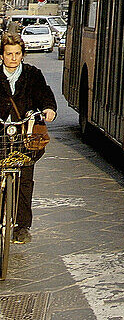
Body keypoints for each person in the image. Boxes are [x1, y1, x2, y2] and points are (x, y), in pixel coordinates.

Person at [0, 34, 56, 243]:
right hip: (0, 134)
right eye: (9, 54)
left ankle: (21, 226)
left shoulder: (33, 74)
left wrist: (49, 109)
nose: (13, 58)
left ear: (22, 55)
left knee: (25, 180)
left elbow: (45, 95)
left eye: (17, 54)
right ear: (2, 55)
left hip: (24, 133)